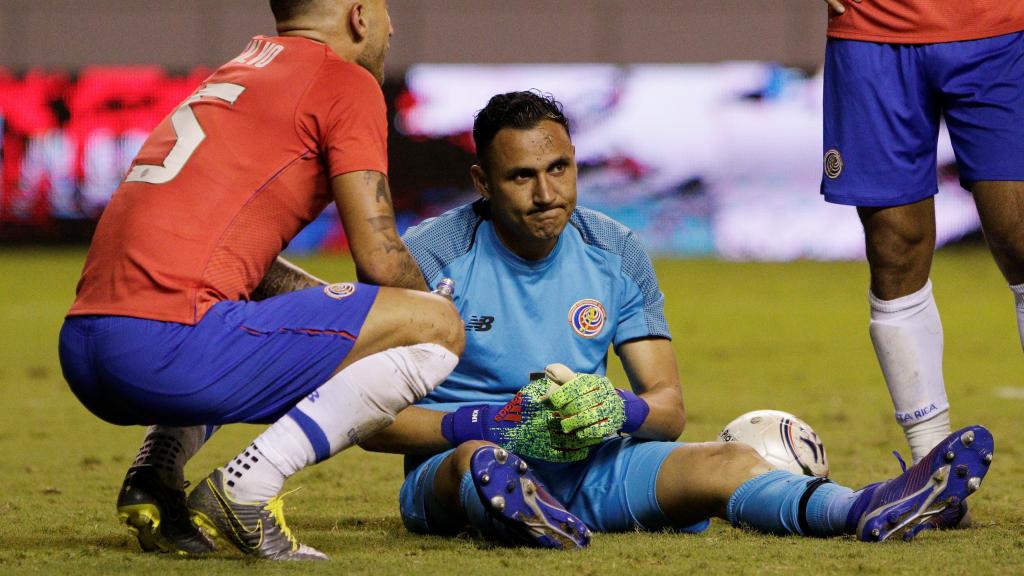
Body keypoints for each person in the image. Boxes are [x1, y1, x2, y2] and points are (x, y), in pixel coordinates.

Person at [358, 91, 994, 548]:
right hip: (459, 463)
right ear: (482, 180)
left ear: (577, 160)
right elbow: (369, 422)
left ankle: (861, 507)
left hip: (593, 462)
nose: (547, 194)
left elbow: (667, 408)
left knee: (728, 461)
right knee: (480, 459)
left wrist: (617, 411)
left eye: (560, 169)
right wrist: (491, 420)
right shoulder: (430, 256)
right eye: (522, 177)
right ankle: (513, 505)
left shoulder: (617, 251)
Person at [58, 0, 465, 561]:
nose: (393, 27)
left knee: (261, 312)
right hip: (165, 351)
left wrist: (333, 311)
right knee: (436, 328)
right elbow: (380, 260)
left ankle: (156, 474)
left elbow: (242, 271)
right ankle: (246, 489)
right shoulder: (342, 80)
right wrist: (441, 316)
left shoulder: (238, 70)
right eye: (385, 8)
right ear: (359, 15)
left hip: (85, 348)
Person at [819, 2, 1024, 464]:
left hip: (1001, 28)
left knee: (1020, 236)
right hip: (873, 29)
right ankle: (933, 471)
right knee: (894, 247)